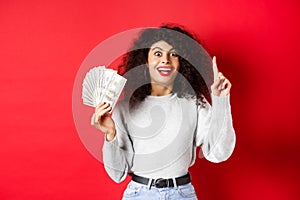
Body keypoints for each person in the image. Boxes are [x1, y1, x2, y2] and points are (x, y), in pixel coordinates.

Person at [92, 24, 236, 200]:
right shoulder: (125, 108)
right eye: (158, 53)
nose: (166, 60)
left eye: (173, 54)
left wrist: (221, 100)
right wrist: (110, 134)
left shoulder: (195, 103)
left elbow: (219, 152)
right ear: (145, 61)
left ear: (181, 63)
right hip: (139, 194)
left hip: (182, 194)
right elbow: (117, 174)